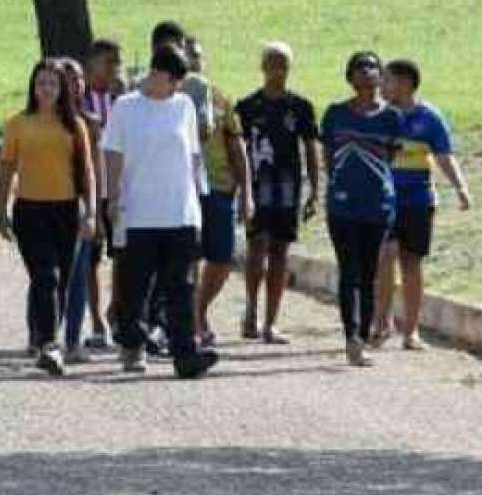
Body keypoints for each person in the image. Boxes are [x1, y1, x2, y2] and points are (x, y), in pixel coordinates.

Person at [101, 45, 221, 379]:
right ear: (158, 75)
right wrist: (111, 198)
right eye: (173, 80)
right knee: (135, 286)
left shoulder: (183, 106)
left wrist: (199, 198)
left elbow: (193, 155)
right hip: (138, 212)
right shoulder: (126, 107)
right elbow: (112, 152)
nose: (176, 88)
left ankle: (186, 355)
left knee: (181, 287)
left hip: (179, 212)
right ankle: (132, 346)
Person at [0, 60, 96, 377]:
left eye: (52, 83)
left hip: (66, 210)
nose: (46, 89)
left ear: (62, 89)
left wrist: (91, 212)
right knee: (45, 276)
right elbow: (5, 169)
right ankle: (50, 344)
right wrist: (0, 211)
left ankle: (46, 337)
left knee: (62, 280)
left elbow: (87, 172)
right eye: (41, 83)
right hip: (29, 210)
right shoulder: (18, 124)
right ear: (33, 87)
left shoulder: (73, 125)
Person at [373, 59, 470, 350]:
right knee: (385, 256)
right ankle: (381, 323)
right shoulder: (379, 116)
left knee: (411, 262)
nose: (381, 85)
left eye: (386, 80)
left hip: (417, 201)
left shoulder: (429, 118)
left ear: (404, 83)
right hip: (384, 200)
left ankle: (411, 331)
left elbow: (444, 156)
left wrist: (461, 188)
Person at [321, 50, 403, 367]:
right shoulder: (334, 114)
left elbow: (390, 158)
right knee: (348, 272)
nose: (366, 72)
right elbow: (328, 155)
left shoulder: (391, 118)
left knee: (369, 273)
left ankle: (364, 335)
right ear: (349, 76)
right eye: (360, 67)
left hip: (378, 206)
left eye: (372, 67)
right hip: (342, 206)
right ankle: (351, 336)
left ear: (381, 75)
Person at [235, 42, 321, 344]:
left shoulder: (300, 107)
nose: (277, 70)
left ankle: (272, 321)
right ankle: (251, 310)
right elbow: (238, 150)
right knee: (256, 246)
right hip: (257, 184)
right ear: (262, 67)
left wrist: (314, 188)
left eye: (283, 64)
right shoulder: (246, 107)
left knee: (281, 251)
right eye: (272, 63)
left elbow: (310, 148)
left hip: (287, 185)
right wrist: (239, 189)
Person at [185, 38, 251, 348]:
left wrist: (247, 194)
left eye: (196, 56)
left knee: (222, 259)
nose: (192, 62)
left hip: (219, 189)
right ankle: (190, 322)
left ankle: (199, 308)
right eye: (186, 57)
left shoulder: (220, 99)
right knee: (187, 260)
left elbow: (237, 147)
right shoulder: (166, 99)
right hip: (182, 190)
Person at [63, 39, 122, 356]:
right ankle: (96, 320)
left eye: (117, 62)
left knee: (124, 256)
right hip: (89, 190)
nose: (114, 68)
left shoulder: (122, 100)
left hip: (121, 188)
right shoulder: (76, 103)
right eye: (109, 61)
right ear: (92, 64)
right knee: (91, 258)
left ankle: (115, 311)